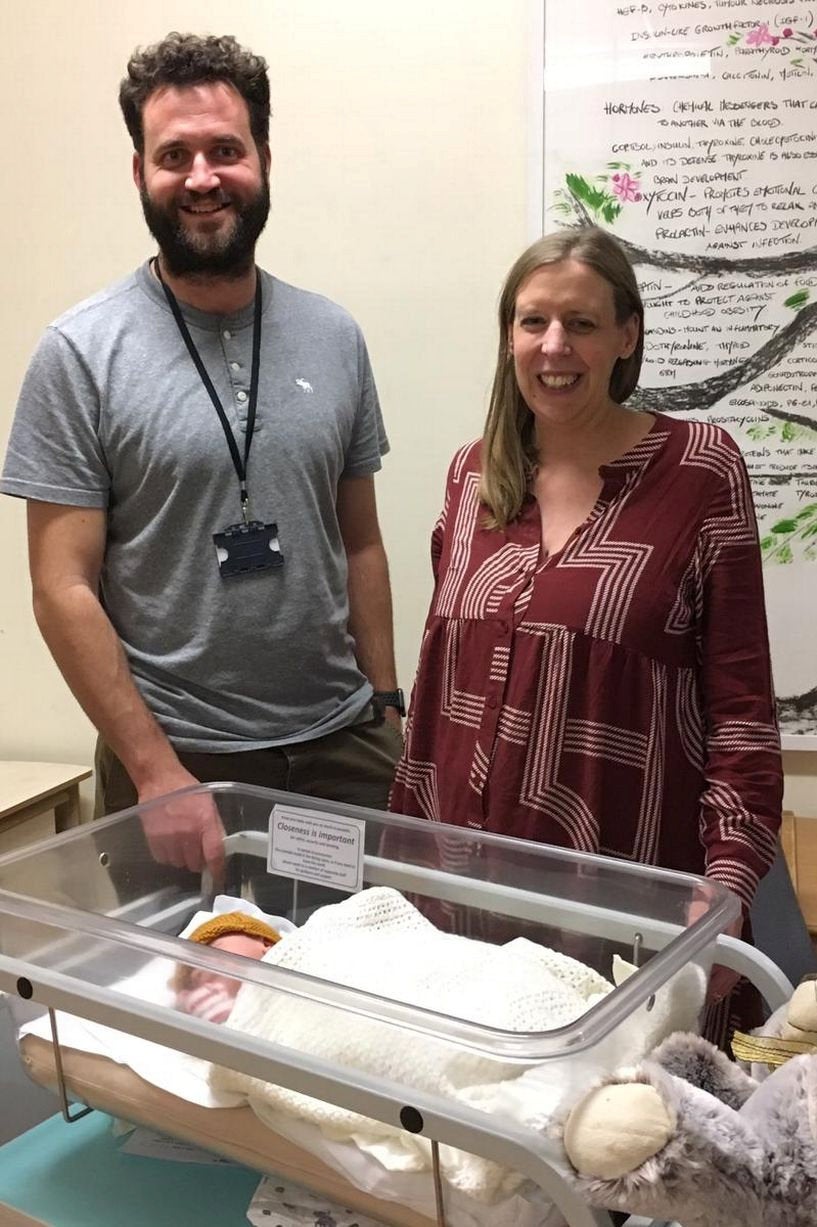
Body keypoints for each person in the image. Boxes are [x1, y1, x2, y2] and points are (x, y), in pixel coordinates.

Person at [1, 33, 403, 876]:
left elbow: (359, 539)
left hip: (342, 753)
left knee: (356, 989)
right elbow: (60, 586)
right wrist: (153, 770)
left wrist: (386, 707)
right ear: (138, 171)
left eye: (226, 149)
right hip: (177, 767)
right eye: (172, 154)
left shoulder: (333, 334)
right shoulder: (80, 351)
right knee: (191, 997)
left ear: (263, 156)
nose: (202, 177)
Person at [389, 226, 783, 1046]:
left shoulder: (699, 471)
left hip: (624, 895)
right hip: (460, 903)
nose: (554, 345)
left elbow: (741, 706)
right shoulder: (471, 477)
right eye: (533, 322)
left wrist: (729, 879)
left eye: (582, 323)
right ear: (508, 336)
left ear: (626, 336)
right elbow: (437, 699)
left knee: (619, 1139)